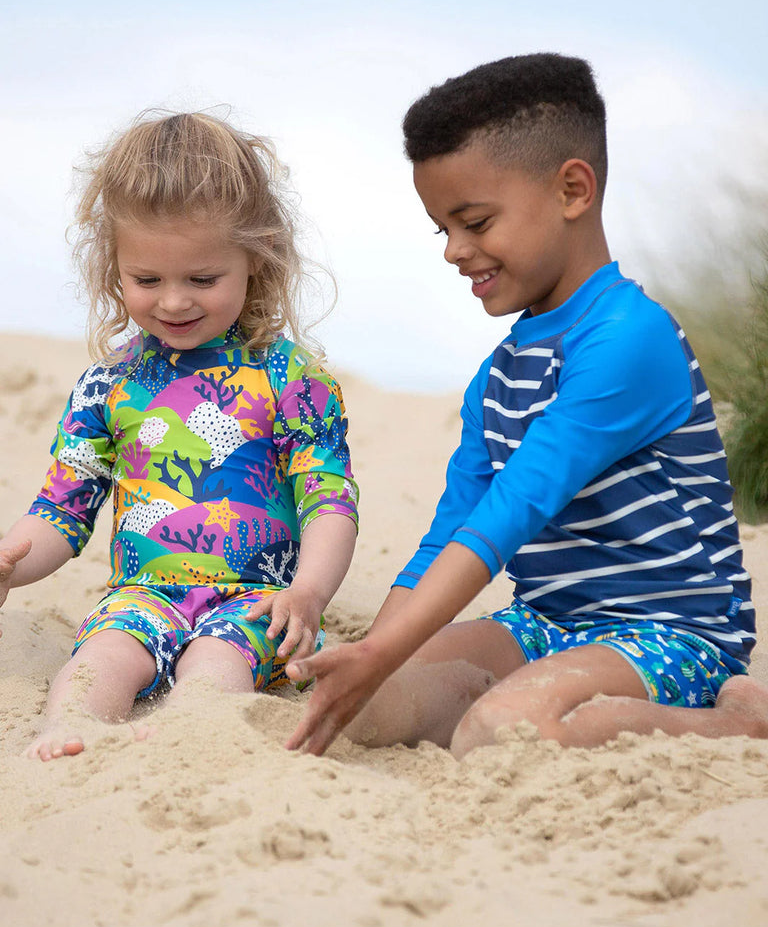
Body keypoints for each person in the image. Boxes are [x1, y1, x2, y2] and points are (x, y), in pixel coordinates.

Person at [283, 52, 768, 758]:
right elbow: (452, 528)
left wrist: (384, 650)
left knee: (502, 730)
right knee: (372, 709)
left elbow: (514, 509)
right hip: (546, 624)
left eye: (475, 221)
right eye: (442, 228)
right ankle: (507, 689)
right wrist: (378, 657)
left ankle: (737, 722)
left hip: (674, 635)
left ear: (573, 189)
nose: (454, 250)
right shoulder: (501, 372)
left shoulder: (629, 340)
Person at [0, 111, 358, 761]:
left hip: (258, 600)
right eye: (146, 280)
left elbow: (328, 500)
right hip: (142, 594)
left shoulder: (290, 378)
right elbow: (61, 510)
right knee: (99, 658)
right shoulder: (109, 384)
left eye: (201, 279)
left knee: (216, 663)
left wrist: (307, 593)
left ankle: (185, 731)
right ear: (114, 266)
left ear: (257, 256)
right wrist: (10, 561)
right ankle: (68, 730)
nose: (173, 301)